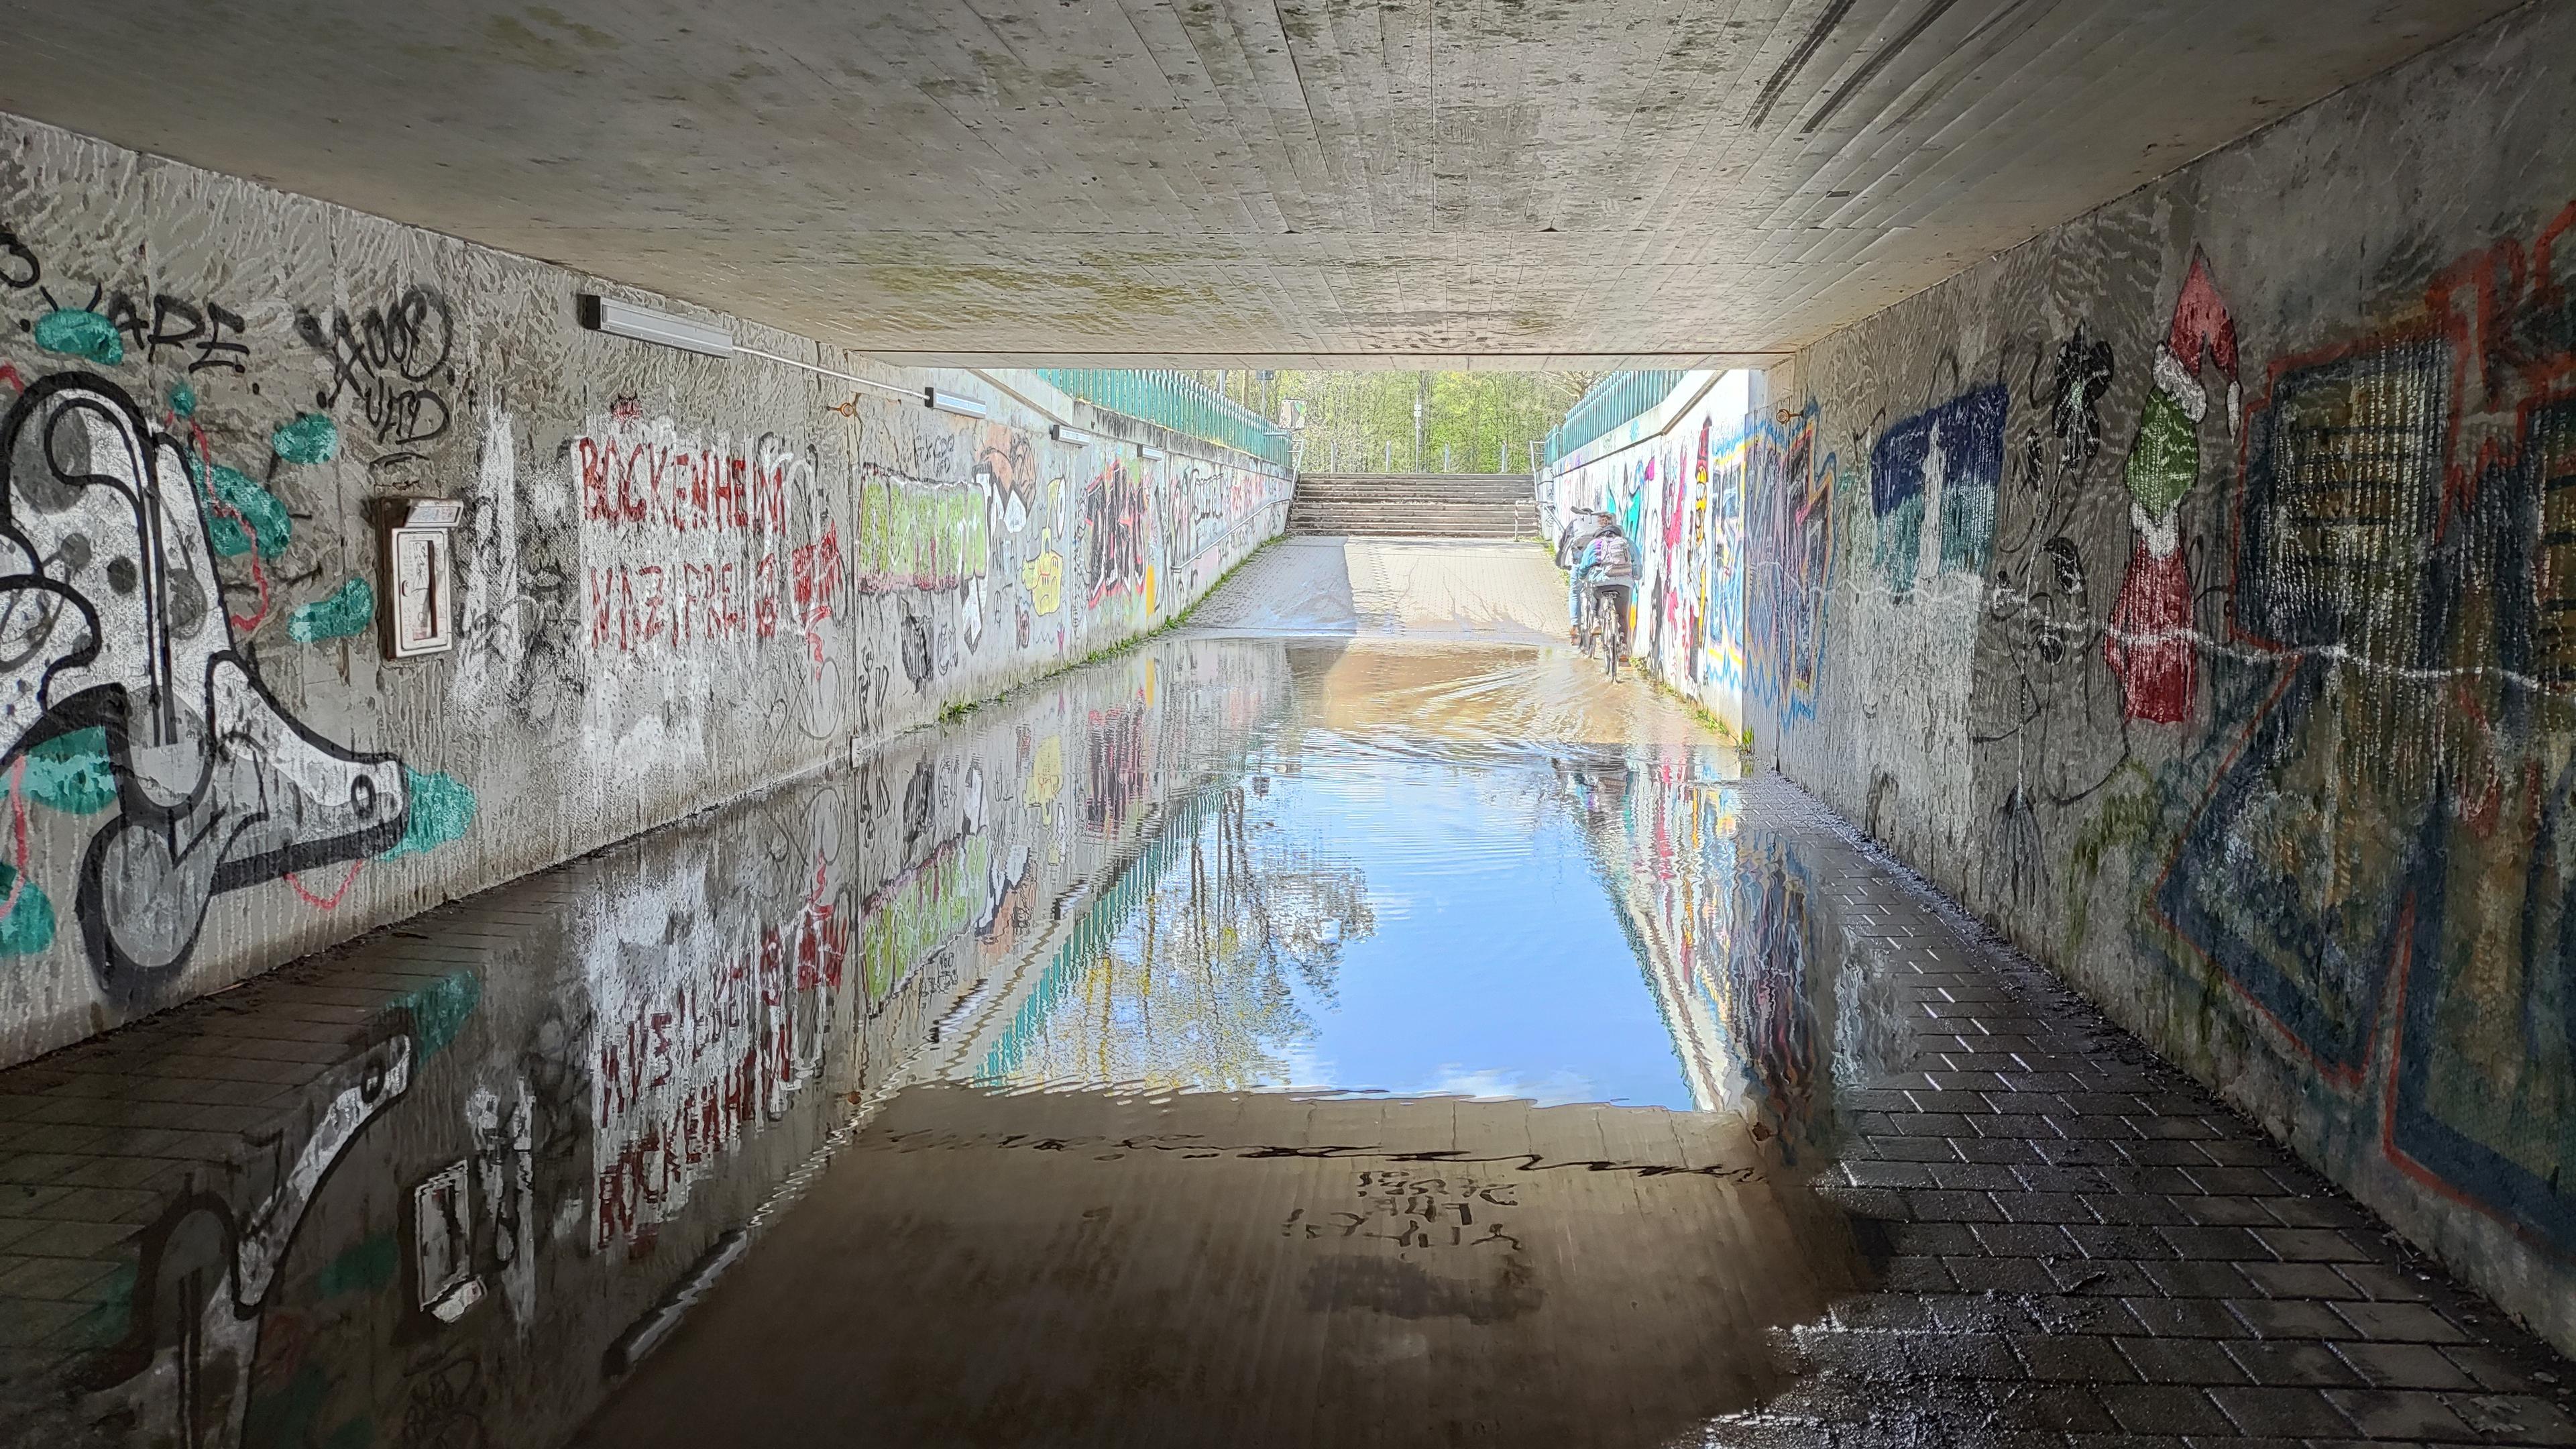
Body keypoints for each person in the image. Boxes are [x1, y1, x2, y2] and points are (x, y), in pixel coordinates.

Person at [1558, 508, 1618, 639]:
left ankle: (1575, 626)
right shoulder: (1602, 524)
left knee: (1575, 591)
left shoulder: (1575, 524)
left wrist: (1562, 563)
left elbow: (1564, 546)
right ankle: (1598, 619)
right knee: (1600, 591)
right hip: (1600, 565)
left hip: (1579, 564)